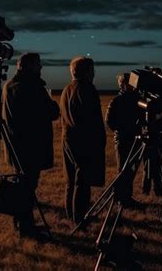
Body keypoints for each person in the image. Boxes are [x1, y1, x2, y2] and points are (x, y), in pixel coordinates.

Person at [3, 52, 60, 236]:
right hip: (31, 146)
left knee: (21, 184)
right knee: (28, 187)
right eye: (38, 65)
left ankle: (19, 222)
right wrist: (53, 105)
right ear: (29, 67)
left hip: (15, 145)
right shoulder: (32, 86)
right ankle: (26, 227)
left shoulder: (9, 85)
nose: (41, 68)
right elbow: (49, 113)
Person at [61, 56, 106, 224]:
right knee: (82, 182)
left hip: (69, 138)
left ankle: (71, 214)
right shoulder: (87, 89)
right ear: (86, 71)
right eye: (92, 70)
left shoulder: (67, 89)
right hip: (84, 141)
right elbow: (93, 119)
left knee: (71, 180)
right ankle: (80, 218)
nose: (94, 74)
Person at [105, 73, 145, 205]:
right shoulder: (117, 101)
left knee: (131, 169)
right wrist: (122, 129)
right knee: (123, 170)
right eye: (129, 82)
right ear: (123, 84)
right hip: (123, 140)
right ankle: (120, 197)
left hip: (136, 139)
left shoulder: (138, 100)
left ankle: (124, 197)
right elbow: (109, 121)